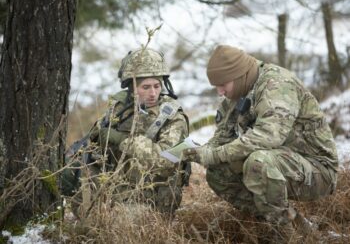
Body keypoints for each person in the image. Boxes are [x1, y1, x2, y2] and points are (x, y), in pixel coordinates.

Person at [182, 45, 338, 241]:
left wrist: (214, 154)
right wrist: (198, 152)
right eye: (216, 86)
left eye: (223, 84)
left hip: (318, 170)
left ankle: (285, 237)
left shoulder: (278, 84)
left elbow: (268, 136)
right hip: (282, 162)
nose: (220, 91)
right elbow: (223, 136)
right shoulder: (237, 92)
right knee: (218, 173)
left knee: (258, 163)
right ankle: (295, 221)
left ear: (238, 75)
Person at [63, 48, 190, 217]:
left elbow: (165, 160)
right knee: (68, 171)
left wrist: (123, 140)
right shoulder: (121, 107)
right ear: (132, 87)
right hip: (116, 185)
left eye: (157, 86)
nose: (153, 93)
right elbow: (96, 140)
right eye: (145, 87)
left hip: (152, 196)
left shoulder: (173, 117)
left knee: (112, 223)